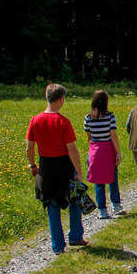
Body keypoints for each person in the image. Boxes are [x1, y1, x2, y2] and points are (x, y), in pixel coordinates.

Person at [26, 83, 89, 254]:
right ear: (61, 99)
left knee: (51, 205)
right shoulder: (63, 122)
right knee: (74, 200)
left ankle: (58, 246)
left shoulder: (35, 120)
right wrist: (79, 171)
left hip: (46, 166)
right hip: (64, 165)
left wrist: (33, 165)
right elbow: (72, 149)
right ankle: (75, 236)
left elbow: (29, 148)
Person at [84, 90, 124, 219]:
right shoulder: (110, 116)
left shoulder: (88, 117)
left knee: (98, 182)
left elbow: (89, 137)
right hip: (108, 149)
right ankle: (116, 205)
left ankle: (102, 210)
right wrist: (118, 152)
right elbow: (113, 135)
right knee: (112, 179)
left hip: (95, 150)